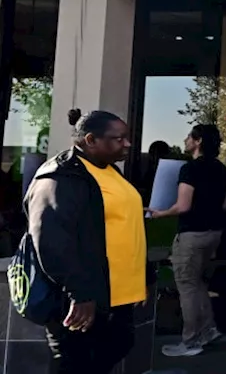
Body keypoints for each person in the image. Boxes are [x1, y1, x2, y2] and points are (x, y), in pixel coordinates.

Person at [27, 109, 146, 373]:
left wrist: (141, 278)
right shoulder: (61, 176)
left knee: (109, 354)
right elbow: (51, 239)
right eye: (118, 138)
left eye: (127, 137)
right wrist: (79, 293)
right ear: (90, 140)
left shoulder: (109, 172)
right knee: (76, 364)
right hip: (82, 299)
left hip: (115, 296)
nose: (127, 144)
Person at [148, 124, 226, 357]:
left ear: (198, 141)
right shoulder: (223, 170)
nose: (185, 140)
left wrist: (159, 213)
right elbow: (224, 205)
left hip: (191, 234)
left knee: (186, 286)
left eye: (189, 137)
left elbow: (183, 206)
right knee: (199, 284)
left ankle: (191, 340)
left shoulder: (190, 169)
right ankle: (208, 330)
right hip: (214, 234)